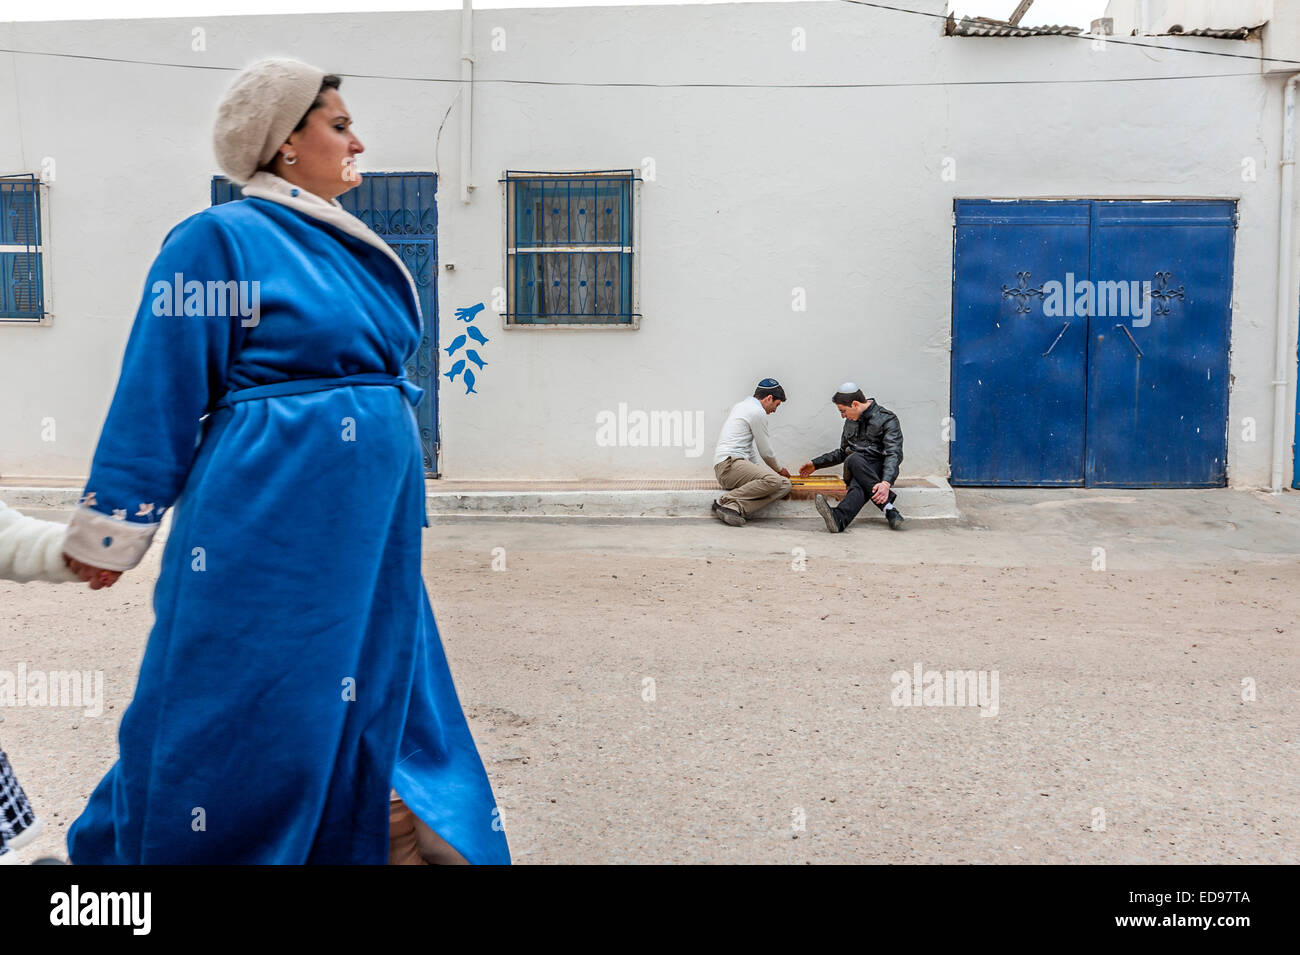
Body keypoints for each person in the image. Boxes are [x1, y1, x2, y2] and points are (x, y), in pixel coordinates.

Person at [58, 58, 509, 864]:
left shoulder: (344, 245)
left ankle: (377, 823)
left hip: (367, 526)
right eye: (338, 124)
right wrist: (112, 529)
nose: (357, 140)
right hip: (267, 506)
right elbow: (159, 383)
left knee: (369, 680)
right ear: (284, 143)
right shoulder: (219, 238)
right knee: (239, 686)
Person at [799, 382, 905, 532]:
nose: (843, 416)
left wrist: (886, 483)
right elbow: (843, 452)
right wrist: (815, 464)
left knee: (859, 482)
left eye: (843, 411)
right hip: (854, 466)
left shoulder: (887, 419)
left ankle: (838, 519)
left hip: (875, 471)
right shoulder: (850, 422)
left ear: (855, 404)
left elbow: (893, 453)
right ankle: (888, 508)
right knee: (854, 458)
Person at [711, 378, 792, 526]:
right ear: (769, 398)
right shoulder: (756, 412)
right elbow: (766, 451)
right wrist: (779, 470)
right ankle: (725, 501)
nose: (774, 410)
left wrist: (758, 470)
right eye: (777, 405)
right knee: (775, 480)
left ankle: (734, 507)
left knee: (785, 485)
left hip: (732, 466)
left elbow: (749, 449)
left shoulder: (742, 406)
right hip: (729, 466)